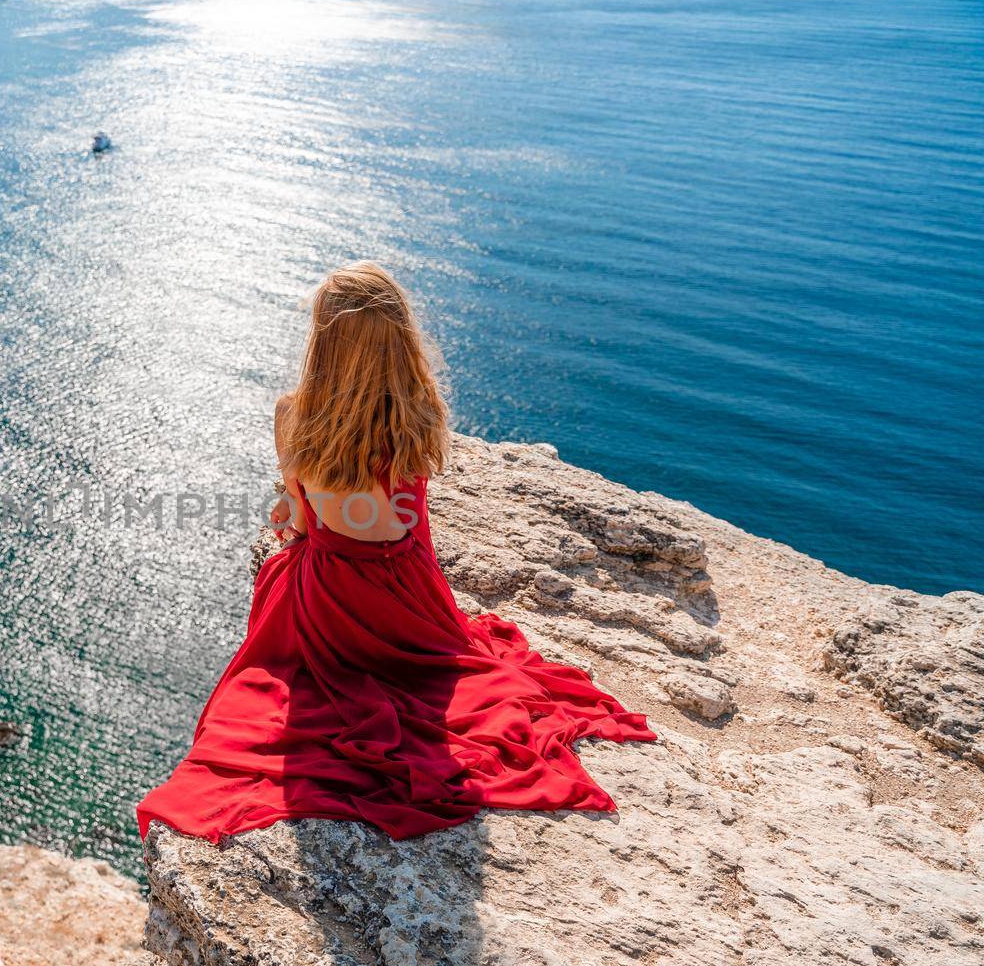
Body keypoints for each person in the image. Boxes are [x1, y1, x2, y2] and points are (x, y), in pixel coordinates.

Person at [136, 262, 655, 843]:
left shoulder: (293, 415)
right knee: (467, 679)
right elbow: (411, 524)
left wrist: (296, 509)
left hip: (333, 600)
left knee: (281, 574)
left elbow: (304, 523)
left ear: (323, 340)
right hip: (409, 593)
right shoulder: (419, 417)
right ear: (401, 341)